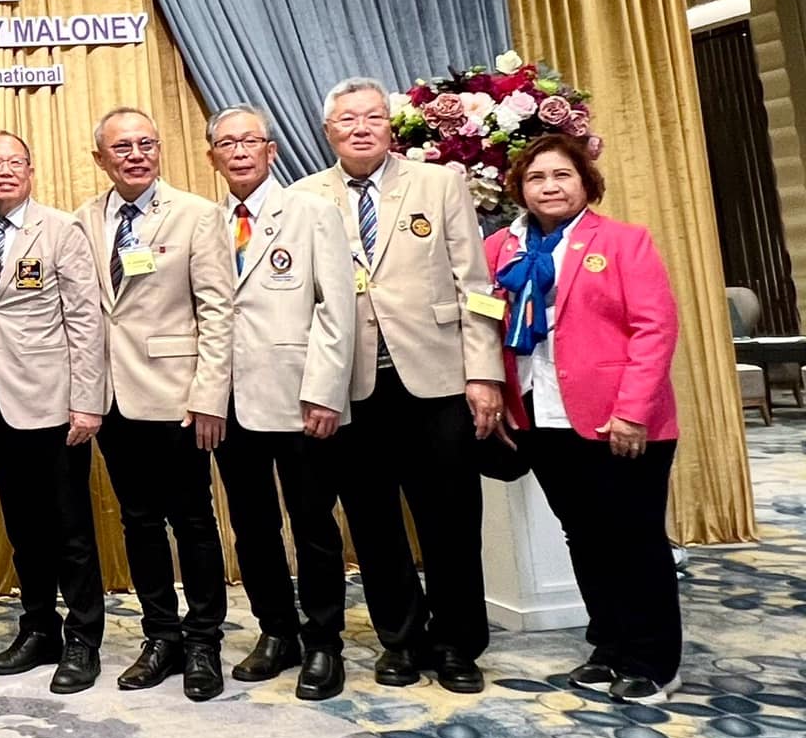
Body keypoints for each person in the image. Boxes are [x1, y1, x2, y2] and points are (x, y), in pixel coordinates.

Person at [291, 78, 506, 694]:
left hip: (437, 381)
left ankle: (458, 643)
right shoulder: (305, 198)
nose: (361, 128)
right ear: (328, 132)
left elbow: (475, 286)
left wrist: (483, 373)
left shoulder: (439, 184)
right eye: (347, 120)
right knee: (374, 522)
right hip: (354, 386)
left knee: (451, 520)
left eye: (373, 117)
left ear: (391, 126)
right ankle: (401, 640)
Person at [485, 134, 682, 703]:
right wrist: (499, 397)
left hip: (620, 418)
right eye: (536, 178)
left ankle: (653, 661)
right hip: (540, 414)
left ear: (585, 182)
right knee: (586, 537)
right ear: (519, 188)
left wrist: (632, 412)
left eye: (561, 175)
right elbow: (485, 323)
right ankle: (610, 646)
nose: (549, 187)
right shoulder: (500, 247)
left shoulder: (623, 241)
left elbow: (655, 329)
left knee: (635, 538)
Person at [73, 107, 235, 702]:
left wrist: (210, 395)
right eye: (122, 147)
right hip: (113, 399)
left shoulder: (196, 214)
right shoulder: (84, 219)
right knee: (138, 522)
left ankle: (204, 641)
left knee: (192, 520)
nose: (136, 155)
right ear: (101, 158)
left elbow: (218, 310)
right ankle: (161, 635)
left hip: (178, 397)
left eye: (146, 144)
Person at [205, 106, 356, 701]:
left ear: (271, 151)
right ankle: (276, 631)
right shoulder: (207, 222)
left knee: (313, 523)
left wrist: (325, 391)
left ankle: (324, 641)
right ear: (213, 156)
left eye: (250, 141)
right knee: (252, 526)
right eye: (227, 144)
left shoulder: (313, 211)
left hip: (301, 399)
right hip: (232, 401)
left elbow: (337, 309)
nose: (239, 152)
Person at [0, 131, 108, 694]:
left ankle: (84, 637)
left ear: (31, 170)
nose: (5, 171)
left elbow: (85, 318)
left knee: (70, 527)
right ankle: (39, 628)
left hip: (53, 402)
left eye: (15, 162)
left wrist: (88, 401)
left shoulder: (60, 229)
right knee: (24, 528)